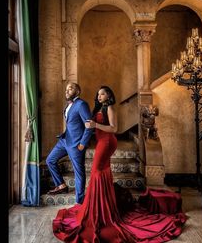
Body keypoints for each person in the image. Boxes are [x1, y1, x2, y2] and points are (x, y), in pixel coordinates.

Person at [52, 86, 187, 242]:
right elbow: (87, 124)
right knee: (101, 172)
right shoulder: (98, 107)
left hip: (108, 141)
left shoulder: (109, 108)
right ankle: (103, 207)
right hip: (102, 141)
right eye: (98, 93)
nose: (99, 95)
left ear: (109, 95)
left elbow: (114, 128)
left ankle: (99, 209)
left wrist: (95, 126)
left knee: (96, 171)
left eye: (103, 93)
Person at [46, 82, 93, 204]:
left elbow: (89, 126)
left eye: (70, 88)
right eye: (66, 89)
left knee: (79, 172)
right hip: (64, 140)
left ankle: (80, 201)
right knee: (50, 160)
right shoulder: (68, 105)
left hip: (76, 144)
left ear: (77, 92)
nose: (67, 91)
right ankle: (61, 185)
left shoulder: (82, 104)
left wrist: (82, 144)